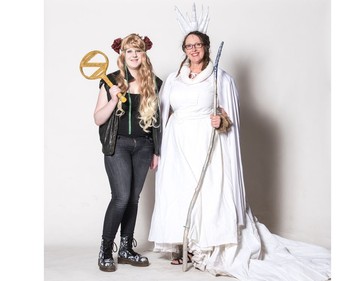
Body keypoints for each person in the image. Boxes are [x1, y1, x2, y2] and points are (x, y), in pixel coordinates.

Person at [148, 6, 331, 280]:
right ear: (183, 49)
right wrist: (157, 148)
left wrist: (219, 121)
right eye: (189, 45)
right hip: (177, 144)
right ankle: (182, 246)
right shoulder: (174, 79)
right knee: (179, 191)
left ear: (206, 47)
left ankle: (206, 243)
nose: (194, 49)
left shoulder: (221, 78)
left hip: (206, 143)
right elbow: (162, 115)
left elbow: (229, 117)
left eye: (198, 44)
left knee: (206, 191)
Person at [94, 33, 162, 272]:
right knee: (121, 197)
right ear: (122, 54)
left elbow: (157, 121)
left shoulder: (154, 82)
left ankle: (125, 249)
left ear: (144, 55)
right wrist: (113, 100)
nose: (134, 55)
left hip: (144, 147)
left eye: (138, 51)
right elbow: (98, 118)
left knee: (134, 198)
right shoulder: (110, 81)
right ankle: (105, 249)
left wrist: (157, 150)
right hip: (118, 145)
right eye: (129, 51)